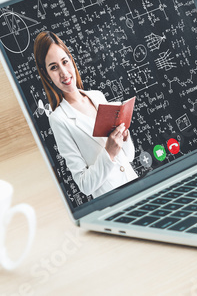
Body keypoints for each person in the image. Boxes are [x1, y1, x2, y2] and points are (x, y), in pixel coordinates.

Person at [35, 31, 138, 198]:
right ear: (46, 74)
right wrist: (109, 153)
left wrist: (123, 138)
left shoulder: (97, 96)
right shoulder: (59, 120)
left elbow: (130, 157)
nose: (63, 72)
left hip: (137, 186)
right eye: (54, 67)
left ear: (71, 60)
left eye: (64, 62)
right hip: (113, 202)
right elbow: (85, 185)